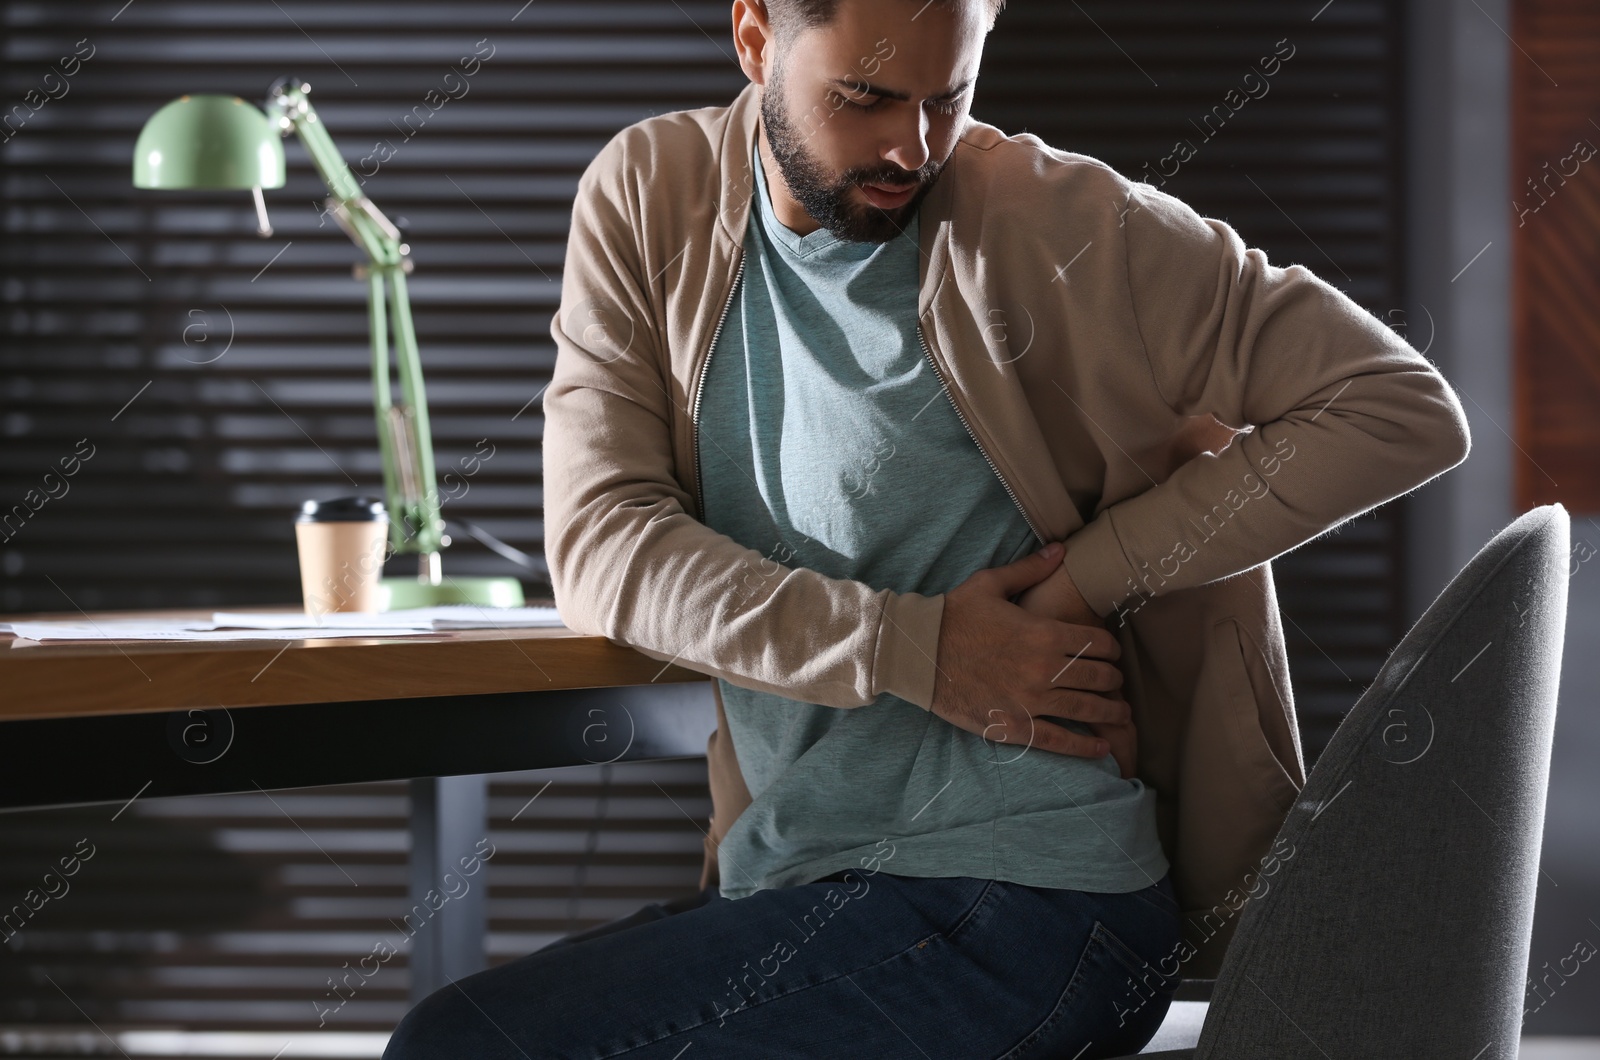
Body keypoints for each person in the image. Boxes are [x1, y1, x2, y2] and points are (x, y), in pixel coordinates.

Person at [383, 0, 1470, 1055]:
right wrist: (918, 650)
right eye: (863, 97)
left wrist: (1087, 578)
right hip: (799, 882)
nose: (911, 147)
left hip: (1033, 903)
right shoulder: (648, 195)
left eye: (946, 98)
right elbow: (603, 541)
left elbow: (1397, 407)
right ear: (755, 34)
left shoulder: (1061, 226)